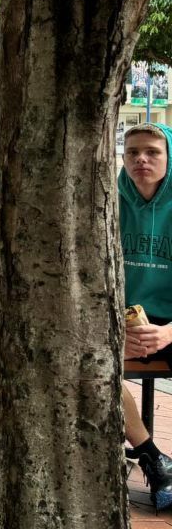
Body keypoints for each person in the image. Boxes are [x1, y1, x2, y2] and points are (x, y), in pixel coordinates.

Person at [119, 122, 172, 509]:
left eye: (152, 152)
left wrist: (168, 333)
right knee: (87, 365)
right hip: (119, 323)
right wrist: (116, 325)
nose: (142, 159)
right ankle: (154, 458)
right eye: (133, 151)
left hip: (169, 325)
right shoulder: (107, 202)